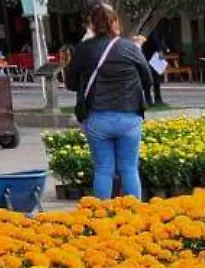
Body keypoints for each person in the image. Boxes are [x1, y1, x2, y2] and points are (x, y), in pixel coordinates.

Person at [67, 4, 147, 200]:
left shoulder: (84, 49)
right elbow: (147, 80)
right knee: (129, 168)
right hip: (129, 116)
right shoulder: (129, 47)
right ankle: (134, 215)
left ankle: (101, 216)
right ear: (115, 22)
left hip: (97, 117)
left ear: (92, 25)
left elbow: (70, 83)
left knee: (103, 169)